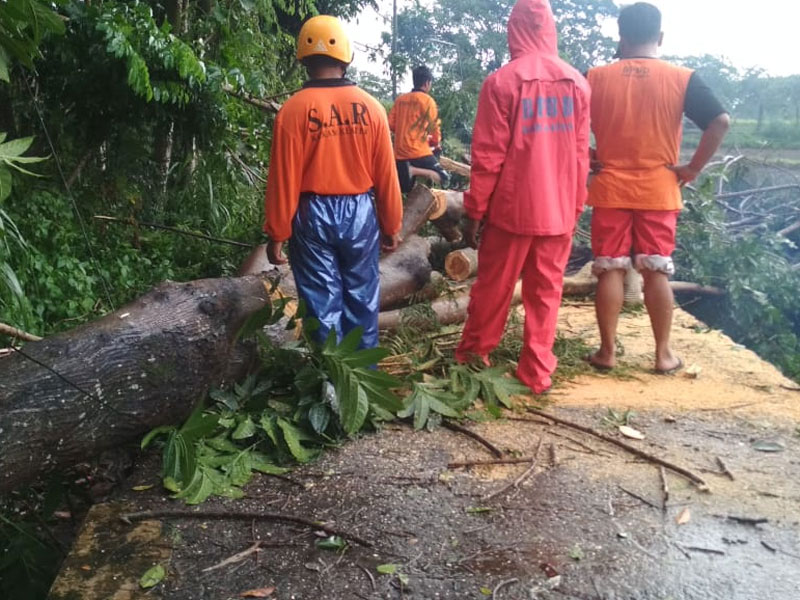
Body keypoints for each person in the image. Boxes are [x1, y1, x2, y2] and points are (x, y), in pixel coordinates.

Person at [455, 0, 591, 395]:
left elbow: (488, 158)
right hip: (560, 211)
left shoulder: (501, 83)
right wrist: (577, 205)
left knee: (493, 289)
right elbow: (581, 154)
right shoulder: (578, 84)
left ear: (514, 30)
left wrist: (475, 211)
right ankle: (536, 373)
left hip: (512, 211)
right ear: (550, 28)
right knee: (546, 293)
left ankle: (472, 358)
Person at [585, 2, 730, 373]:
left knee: (610, 268)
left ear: (621, 36)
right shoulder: (682, 78)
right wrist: (692, 169)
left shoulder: (595, 77)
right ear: (660, 36)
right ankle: (663, 355)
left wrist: (587, 154)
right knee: (656, 271)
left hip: (610, 186)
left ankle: (607, 353)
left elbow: (566, 123)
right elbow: (720, 122)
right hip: (660, 187)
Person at [263, 15, 403, 349]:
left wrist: (277, 232)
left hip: (312, 216)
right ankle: (361, 382)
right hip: (359, 213)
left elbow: (284, 180)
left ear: (303, 60)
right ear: (347, 57)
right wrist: (392, 223)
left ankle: (331, 385)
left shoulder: (293, 111)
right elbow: (386, 174)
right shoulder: (372, 108)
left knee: (321, 305)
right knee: (362, 299)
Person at [388, 65, 451, 193]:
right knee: (444, 178)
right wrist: (434, 143)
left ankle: (410, 171)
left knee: (405, 190)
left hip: (400, 154)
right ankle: (413, 170)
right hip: (419, 152)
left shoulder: (401, 100)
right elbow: (435, 130)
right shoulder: (428, 101)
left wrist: (405, 132)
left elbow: (390, 124)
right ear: (427, 83)